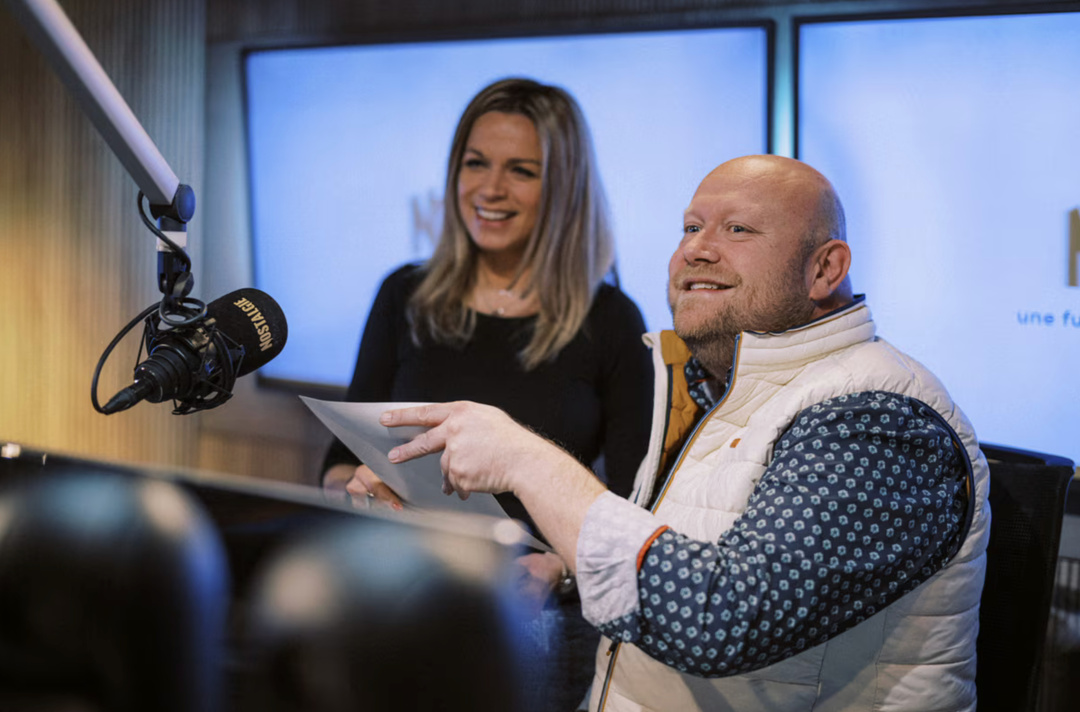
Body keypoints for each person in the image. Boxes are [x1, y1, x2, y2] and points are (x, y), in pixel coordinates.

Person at [380, 155, 991, 712]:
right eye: (691, 227)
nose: (696, 250)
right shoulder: (716, 389)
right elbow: (660, 575)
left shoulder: (880, 418)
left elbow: (719, 618)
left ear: (825, 268)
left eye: (737, 229)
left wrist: (525, 461)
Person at [320, 77, 653, 711]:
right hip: (401, 589)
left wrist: (559, 567)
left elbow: (636, 495)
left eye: (521, 170)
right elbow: (336, 464)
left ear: (565, 187)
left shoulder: (611, 320)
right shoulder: (403, 295)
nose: (490, 189)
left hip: (530, 614)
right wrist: (357, 497)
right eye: (475, 163)